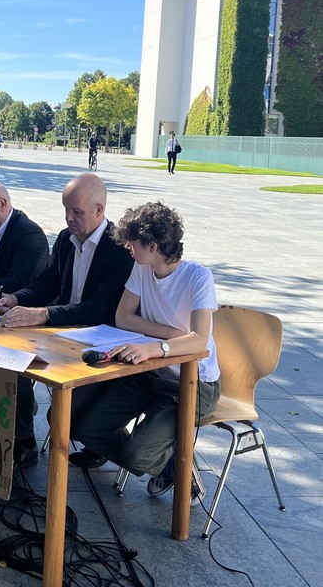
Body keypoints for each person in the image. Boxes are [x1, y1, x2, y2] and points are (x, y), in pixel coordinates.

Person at [68, 202, 220, 504]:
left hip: (191, 383)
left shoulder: (198, 277)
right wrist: (173, 336)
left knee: (137, 457)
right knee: (86, 428)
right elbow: (123, 318)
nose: (127, 247)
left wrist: (157, 347)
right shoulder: (141, 267)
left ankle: (164, 461)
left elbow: (199, 342)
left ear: (153, 246)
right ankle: (168, 463)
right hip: (147, 372)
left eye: (133, 242)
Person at [0, 173, 134, 467]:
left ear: (99, 210)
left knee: (62, 414)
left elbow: (101, 309)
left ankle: (101, 444)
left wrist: (42, 314)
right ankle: (24, 443)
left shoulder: (121, 249)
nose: (69, 218)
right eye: (65, 209)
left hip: (106, 342)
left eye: (76, 212)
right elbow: (48, 282)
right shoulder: (67, 240)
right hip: (67, 333)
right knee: (13, 358)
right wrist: (16, 298)